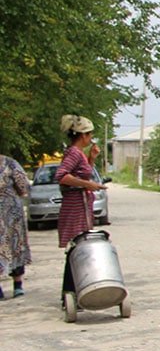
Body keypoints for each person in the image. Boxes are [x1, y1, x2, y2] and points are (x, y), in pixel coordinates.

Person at [55, 115, 106, 306]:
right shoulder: (74, 153)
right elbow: (61, 175)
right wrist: (87, 184)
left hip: (82, 204)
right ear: (83, 135)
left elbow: (83, 173)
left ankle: (75, 290)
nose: (91, 138)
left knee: (82, 246)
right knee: (76, 247)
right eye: (90, 134)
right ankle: (69, 291)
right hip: (75, 206)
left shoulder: (79, 154)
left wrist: (91, 159)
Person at [0, 153, 32, 299]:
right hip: (11, 209)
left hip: (12, 214)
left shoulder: (10, 163)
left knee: (15, 245)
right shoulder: (9, 163)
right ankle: (13, 285)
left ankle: (17, 283)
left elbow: (23, 185)